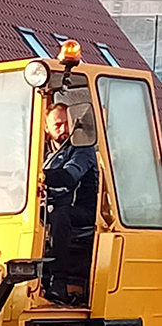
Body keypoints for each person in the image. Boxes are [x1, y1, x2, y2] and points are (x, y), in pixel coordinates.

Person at [42, 102, 98, 304]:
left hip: (83, 212)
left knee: (61, 216)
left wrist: (38, 176)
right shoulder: (45, 157)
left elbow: (69, 177)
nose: (64, 129)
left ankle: (60, 283)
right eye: (57, 125)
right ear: (46, 129)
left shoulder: (83, 150)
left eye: (68, 123)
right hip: (53, 209)